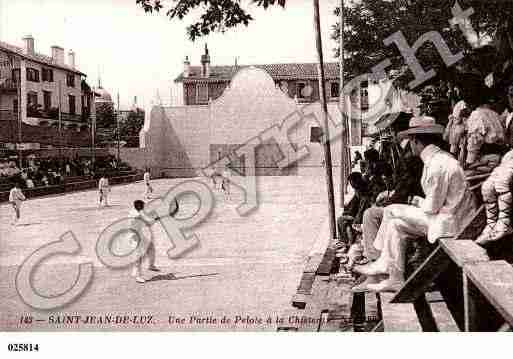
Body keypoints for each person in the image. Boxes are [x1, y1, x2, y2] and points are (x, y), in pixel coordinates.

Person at [354, 116, 477, 292]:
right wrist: (417, 202)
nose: (410, 145)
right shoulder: (440, 158)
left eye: (411, 141)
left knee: (390, 210)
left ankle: (381, 262)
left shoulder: (437, 164)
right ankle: (395, 277)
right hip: (445, 217)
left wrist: (415, 201)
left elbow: (432, 207)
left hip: (449, 222)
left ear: (416, 141)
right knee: (396, 225)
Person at [129, 200, 160, 283]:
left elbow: (148, 223)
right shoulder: (136, 214)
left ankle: (151, 265)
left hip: (140, 234)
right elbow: (148, 221)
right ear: (139, 207)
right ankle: (137, 276)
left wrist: (155, 218)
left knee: (151, 248)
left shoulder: (136, 211)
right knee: (138, 257)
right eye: (143, 206)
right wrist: (157, 218)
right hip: (134, 237)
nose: (144, 207)